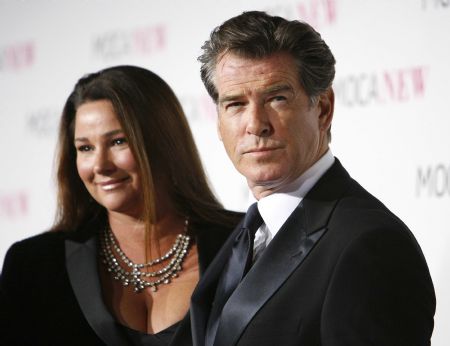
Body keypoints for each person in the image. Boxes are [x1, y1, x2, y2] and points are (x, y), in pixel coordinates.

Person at [190, 11, 436, 346]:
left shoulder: (369, 244)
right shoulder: (241, 235)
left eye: (277, 98)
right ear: (218, 122)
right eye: (235, 104)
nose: (256, 124)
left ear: (322, 109)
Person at [0, 65, 242, 345]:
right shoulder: (34, 265)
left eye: (117, 142)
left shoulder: (242, 244)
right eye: (85, 148)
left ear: (163, 142)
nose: (100, 165)